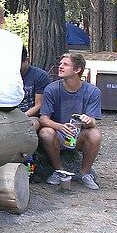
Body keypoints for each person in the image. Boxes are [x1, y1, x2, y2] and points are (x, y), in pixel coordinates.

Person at [39, 53, 103, 190]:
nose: (60, 67)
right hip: (58, 134)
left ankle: (85, 173)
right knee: (45, 132)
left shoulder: (93, 91)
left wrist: (88, 121)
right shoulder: (52, 89)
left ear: (77, 70)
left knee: (95, 134)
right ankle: (59, 171)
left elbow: (93, 121)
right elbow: (43, 118)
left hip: (78, 135)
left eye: (65, 64)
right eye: (60, 64)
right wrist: (60, 127)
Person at [18, 46, 51, 131]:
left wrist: (21, 117)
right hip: (8, 114)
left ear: (27, 60)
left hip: (31, 115)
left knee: (31, 125)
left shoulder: (40, 76)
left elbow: (39, 105)